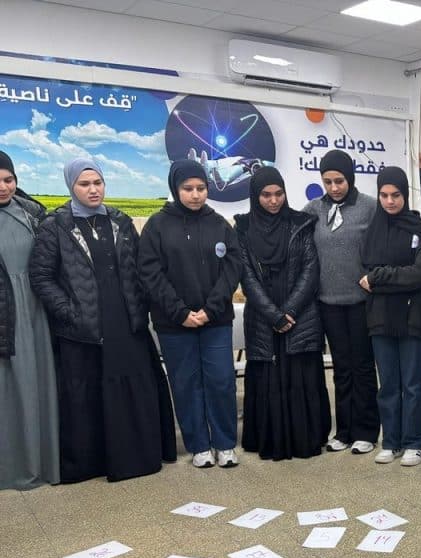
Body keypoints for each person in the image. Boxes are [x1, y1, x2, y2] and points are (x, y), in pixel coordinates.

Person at [30, 157, 176, 483]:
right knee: (87, 397)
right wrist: (70, 312)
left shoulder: (120, 221)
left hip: (126, 323)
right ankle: (92, 464)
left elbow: (140, 268)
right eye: (84, 184)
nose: (93, 190)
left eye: (98, 183)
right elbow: (41, 277)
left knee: (132, 389)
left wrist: (141, 307)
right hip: (82, 331)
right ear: (71, 187)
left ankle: (138, 458)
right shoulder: (55, 226)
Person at [137, 159, 243, 469]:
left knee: (221, 381)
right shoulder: (157, 225)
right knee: (186, 383)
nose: (196, 195)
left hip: (216, 321)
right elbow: (150, 273)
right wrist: (180, 312)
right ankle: (199, 446)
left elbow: (232, 269)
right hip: (174, 323)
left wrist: (210, 310)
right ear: (175, 189)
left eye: (201, 188)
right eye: (188, 189)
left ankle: (224, 443)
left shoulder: (220, 224)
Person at [236, 168, 330, 460]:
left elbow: (311, 269)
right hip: (263, 319)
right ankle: (270, 439)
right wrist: (273, 315)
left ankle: (305, 439)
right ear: (256, 195)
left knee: (301, 376)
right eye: (266, 195)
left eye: (279, 194)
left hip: (300, 316)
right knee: (268, 375)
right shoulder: (243, 228)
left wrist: (288, 311)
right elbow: (246, 277)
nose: (274, 200)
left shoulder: (301, 223)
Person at [304, 150, 379, 455]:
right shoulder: (313, 209)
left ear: (350, 177)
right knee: (341, 368)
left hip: (361, 302)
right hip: (327, 302)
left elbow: (382, 247)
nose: (334, 187)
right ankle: (344, 430)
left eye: (339, 181)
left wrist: (373, 276)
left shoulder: (369, 207)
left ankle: (366, 430)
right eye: (328, 181)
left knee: (362, 367)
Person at [360, 166, 421, 467]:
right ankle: (390, 442)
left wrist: (379, 278)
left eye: (396, 195)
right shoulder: (372, 231)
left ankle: (415, 442)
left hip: (414, 317)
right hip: (380, 319)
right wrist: (389, 277)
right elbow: (364, 271)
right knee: (388, 384)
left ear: (405, 194)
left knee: (413, 385)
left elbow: (418, 275)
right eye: (384, 195)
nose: (390, 201)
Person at [0, 150, 59, 490]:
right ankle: (13, 466)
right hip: (6, 314)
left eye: (8, 179)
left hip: (36, 310)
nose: (3, 187)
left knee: (39, 383)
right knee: (11, 390)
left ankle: (42, 462)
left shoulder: (32, 213)